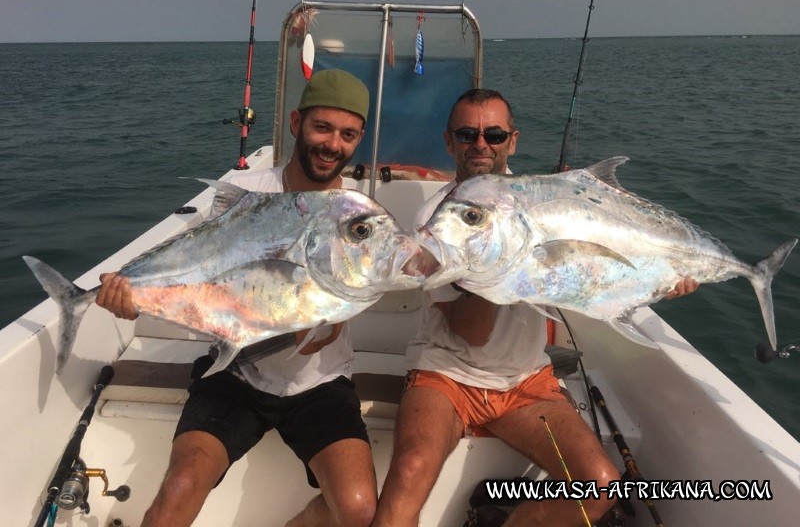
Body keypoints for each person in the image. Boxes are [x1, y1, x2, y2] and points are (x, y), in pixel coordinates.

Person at [371, 89, 698, 527]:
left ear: (513, 140)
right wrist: (489, 253)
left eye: (494, 134)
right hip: (445, 374)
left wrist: (657, 280)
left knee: (600, 487)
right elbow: (471, 333)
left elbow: (591, 274)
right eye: (467, 134)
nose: (481, 144)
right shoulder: (437, 219)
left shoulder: (549, 200)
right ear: (449, 142)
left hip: (525, 380)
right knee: (408, 472)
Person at [96, 69, 377, 527]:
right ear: (295, 123)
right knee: (182, 485)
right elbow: (198, 281)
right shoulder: (247, 195)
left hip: (319, 382)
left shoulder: (354, 218)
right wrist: (132, 299)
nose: (332, 144)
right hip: (234, 373)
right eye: (322, 127)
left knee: (359, 506)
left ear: (358, 140)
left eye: (347, 135)